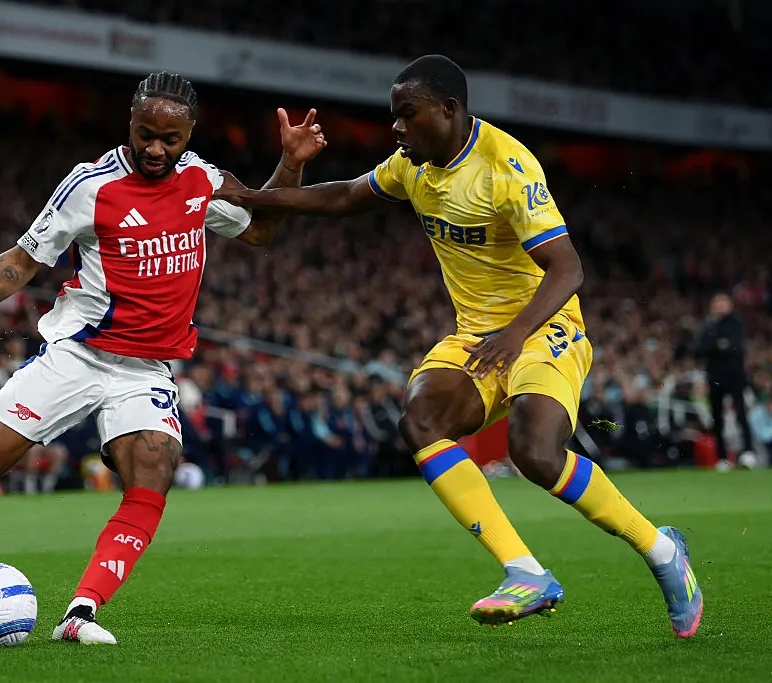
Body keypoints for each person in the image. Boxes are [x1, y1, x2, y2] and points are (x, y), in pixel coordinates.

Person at [216, 55, 702, 637]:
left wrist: (515, 334)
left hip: (543, 329)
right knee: (420, 419)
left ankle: (662, 551)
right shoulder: (411, 166)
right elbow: (345, 196)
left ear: (447, 110)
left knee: (537, 455)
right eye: (394, 116)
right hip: (477, 336)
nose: (396, 127)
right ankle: (525, 571)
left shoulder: (507, 167)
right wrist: (250, 197)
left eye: (407, 114)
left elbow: (567, 268)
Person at [0, 72, 327, 645]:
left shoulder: (203, 180)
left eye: (169, 139)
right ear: (130, 122)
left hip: (146, 371)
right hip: (78, 358)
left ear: (189, 134)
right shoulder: (90, 185)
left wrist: (291, 162)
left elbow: (260, 232)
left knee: (153, 475)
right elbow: (20, 263)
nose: (155, 148)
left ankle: (80, 614)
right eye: (145, 133)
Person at [695, 292, 755, 471]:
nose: (720, 306)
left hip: (735, 375)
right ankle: (722, 457)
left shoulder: (736, 323)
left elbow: (735, 346)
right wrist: (719, 344)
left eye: (723, 302)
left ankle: (748, 452)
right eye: (717, 302)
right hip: (714, 377)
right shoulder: (709, 325)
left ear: (730, 305)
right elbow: (699, 348)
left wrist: (716, 346)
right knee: (717, 417)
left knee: (741, 414)